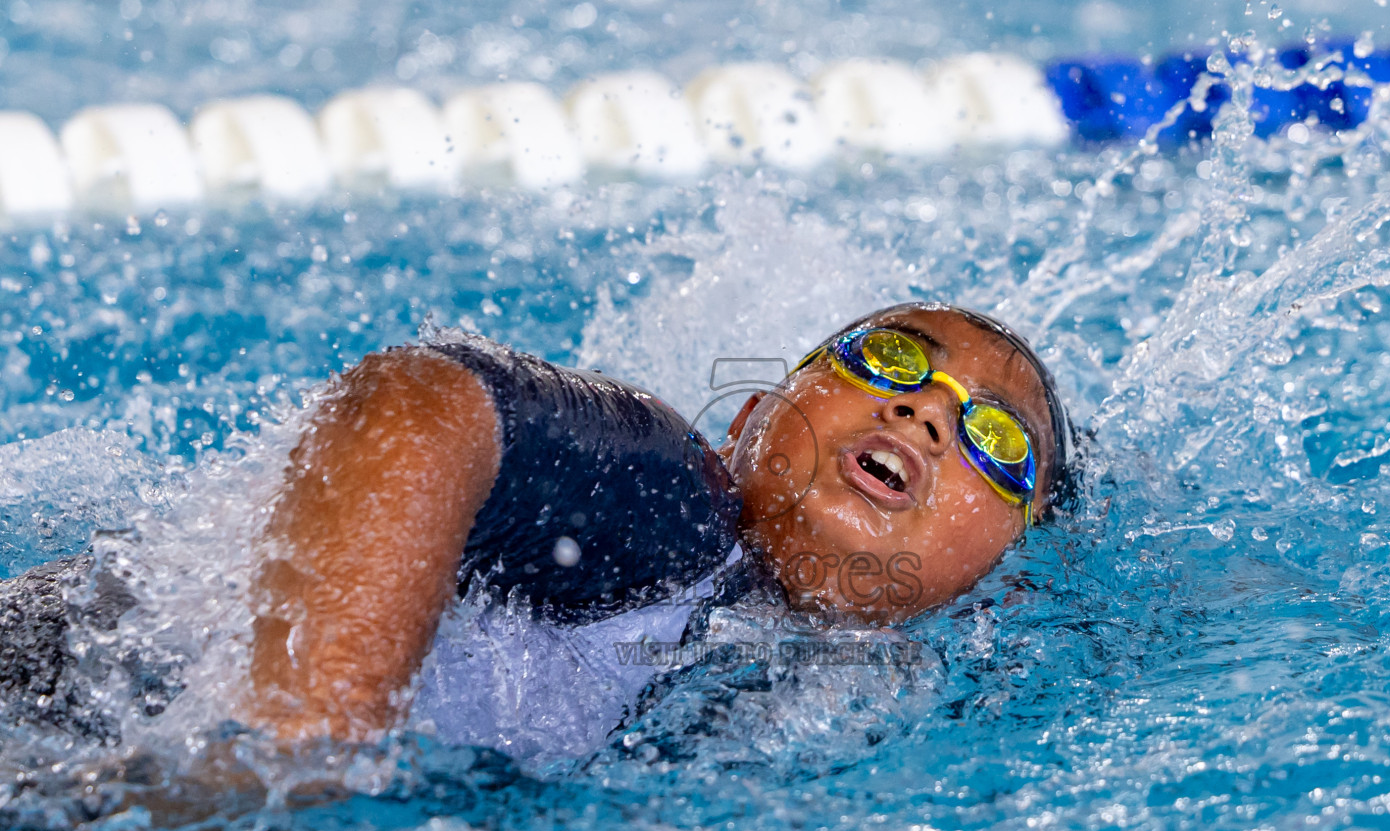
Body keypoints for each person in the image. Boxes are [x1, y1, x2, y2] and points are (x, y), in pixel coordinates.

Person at [1, 302, 1073, 754]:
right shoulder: (677, 507)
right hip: (72, 683)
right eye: (888, 360)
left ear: (1000, 577)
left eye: (995, 439)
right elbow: (417, 401)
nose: (926, 410)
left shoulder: (816, 684)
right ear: (750, 423)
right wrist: (299, 755)